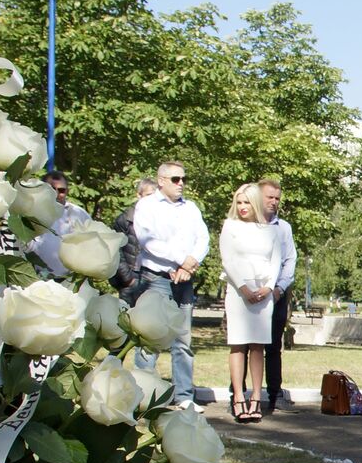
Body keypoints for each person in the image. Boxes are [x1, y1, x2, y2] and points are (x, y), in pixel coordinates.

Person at [133, 161, 209, 409]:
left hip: (184, 279)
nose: (181, 184)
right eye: (176, 179)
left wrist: (190, 265)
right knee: (151, 336)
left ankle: (184, 396)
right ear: (161, 180)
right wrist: (179, 261)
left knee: (183, 340)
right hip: (156, 277)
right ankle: (145, 395)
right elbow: (148, 241)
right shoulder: (147, 206)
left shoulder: (191, 208)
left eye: (183, 179)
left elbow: (203, 238)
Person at [219, 183, 282, 423]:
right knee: (238, 345)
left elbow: (275, 261)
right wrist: (244, 288)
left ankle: (257, 396)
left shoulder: (271, 230)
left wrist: (267, 287)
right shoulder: (230, 226)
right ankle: (238, 397)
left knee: (258, 346)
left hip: (263, 294)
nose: (243, 207)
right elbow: (228, 260)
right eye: (239, 202)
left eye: (247, 202)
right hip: (238, 291)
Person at [258, 179, 297, 411]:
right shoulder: (248, 224)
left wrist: (279, 288)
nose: (274, 202)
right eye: (269, 197)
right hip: (251, 296)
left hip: (277, 294)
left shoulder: (284, 228)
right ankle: (239, 395)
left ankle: (275, 393)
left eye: (277, 199)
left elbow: (290, 260)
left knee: (273, 347)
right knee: (246, 347)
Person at [27, 170, 91, 278]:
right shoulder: (31, 212)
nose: (56, 194)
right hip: (36, 278)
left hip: (70, 280)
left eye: (61, 190)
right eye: (52, 189)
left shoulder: (79, 214)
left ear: (67, 191)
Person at [111, 178, 157, 303]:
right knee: (128, 319)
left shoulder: (160, 221)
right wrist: (127, 278)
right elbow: (115, 250)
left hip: (153, 278)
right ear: (138, 195)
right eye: (148, 195)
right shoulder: (125, 219)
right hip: (131, 278)